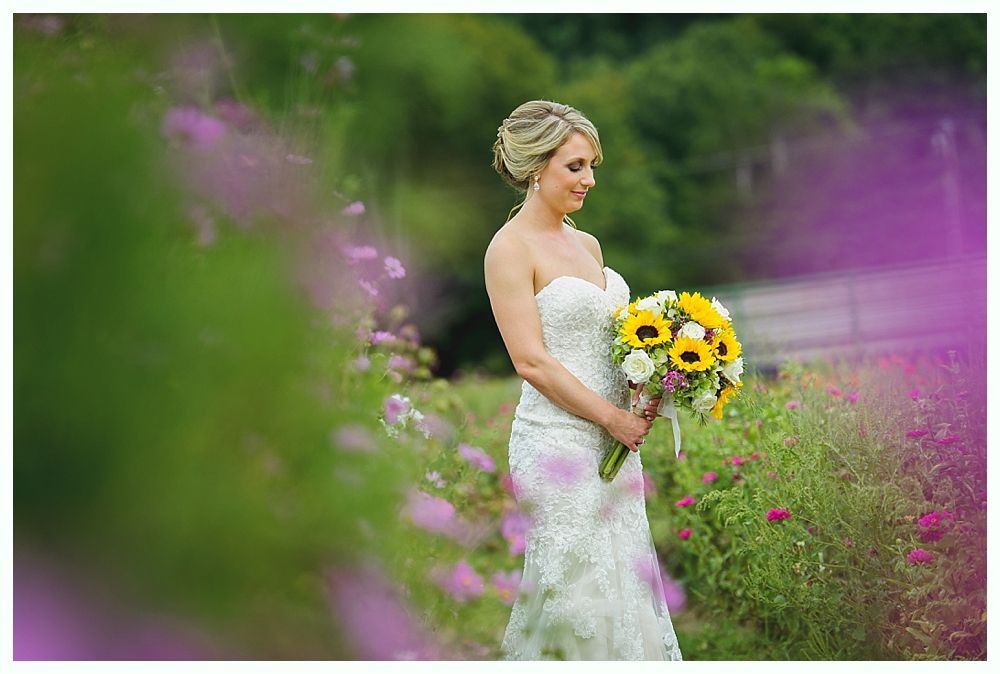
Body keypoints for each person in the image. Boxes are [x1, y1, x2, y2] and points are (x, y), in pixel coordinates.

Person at [485, 100, 683, 661]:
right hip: (555, 446)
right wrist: (613, 416)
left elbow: (609, 341)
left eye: (592, 165)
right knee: (574, 592)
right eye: (575, 167)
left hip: (617, 442)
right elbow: (532, 362)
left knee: (625, 584)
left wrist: (653, 379)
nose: (589, 180)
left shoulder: (589, 245)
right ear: (534, 167)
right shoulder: (509, 250)